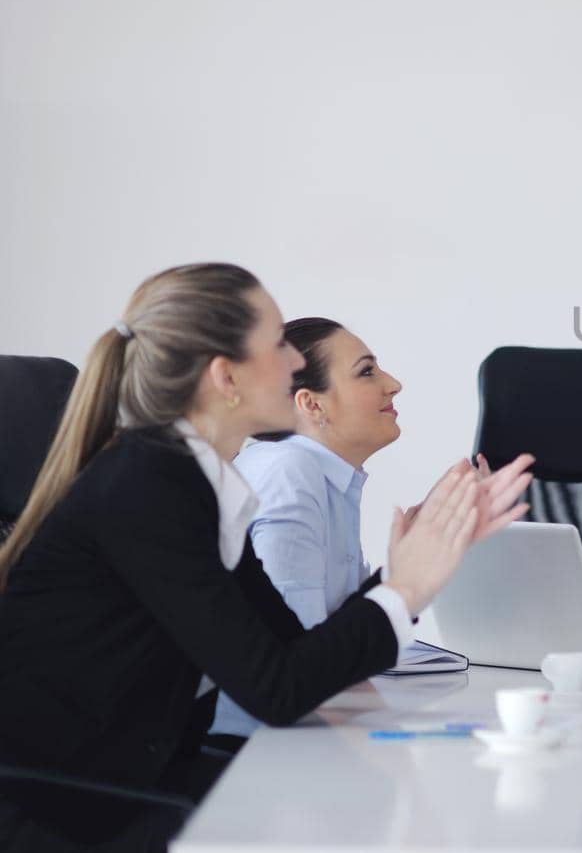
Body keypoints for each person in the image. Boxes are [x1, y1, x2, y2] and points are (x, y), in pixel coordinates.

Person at [0, 264, 531, 848]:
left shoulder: (198, 484)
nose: (296, 363)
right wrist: (404, 589)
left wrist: (403, 570)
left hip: (128, 781)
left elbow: (292, 655)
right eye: (278, 343)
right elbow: (274, 690)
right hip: (59, 806)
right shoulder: (147, 485)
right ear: (227, 376)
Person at [211, 317, 526, 739]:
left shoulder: (320, 475)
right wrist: (405, 583)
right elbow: (301, 665)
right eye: (366, 371)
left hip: (294, 734)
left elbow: (340, 640)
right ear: (311, 404)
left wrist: (415, 553)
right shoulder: (290, 470)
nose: (393, 384)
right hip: (259, 751)